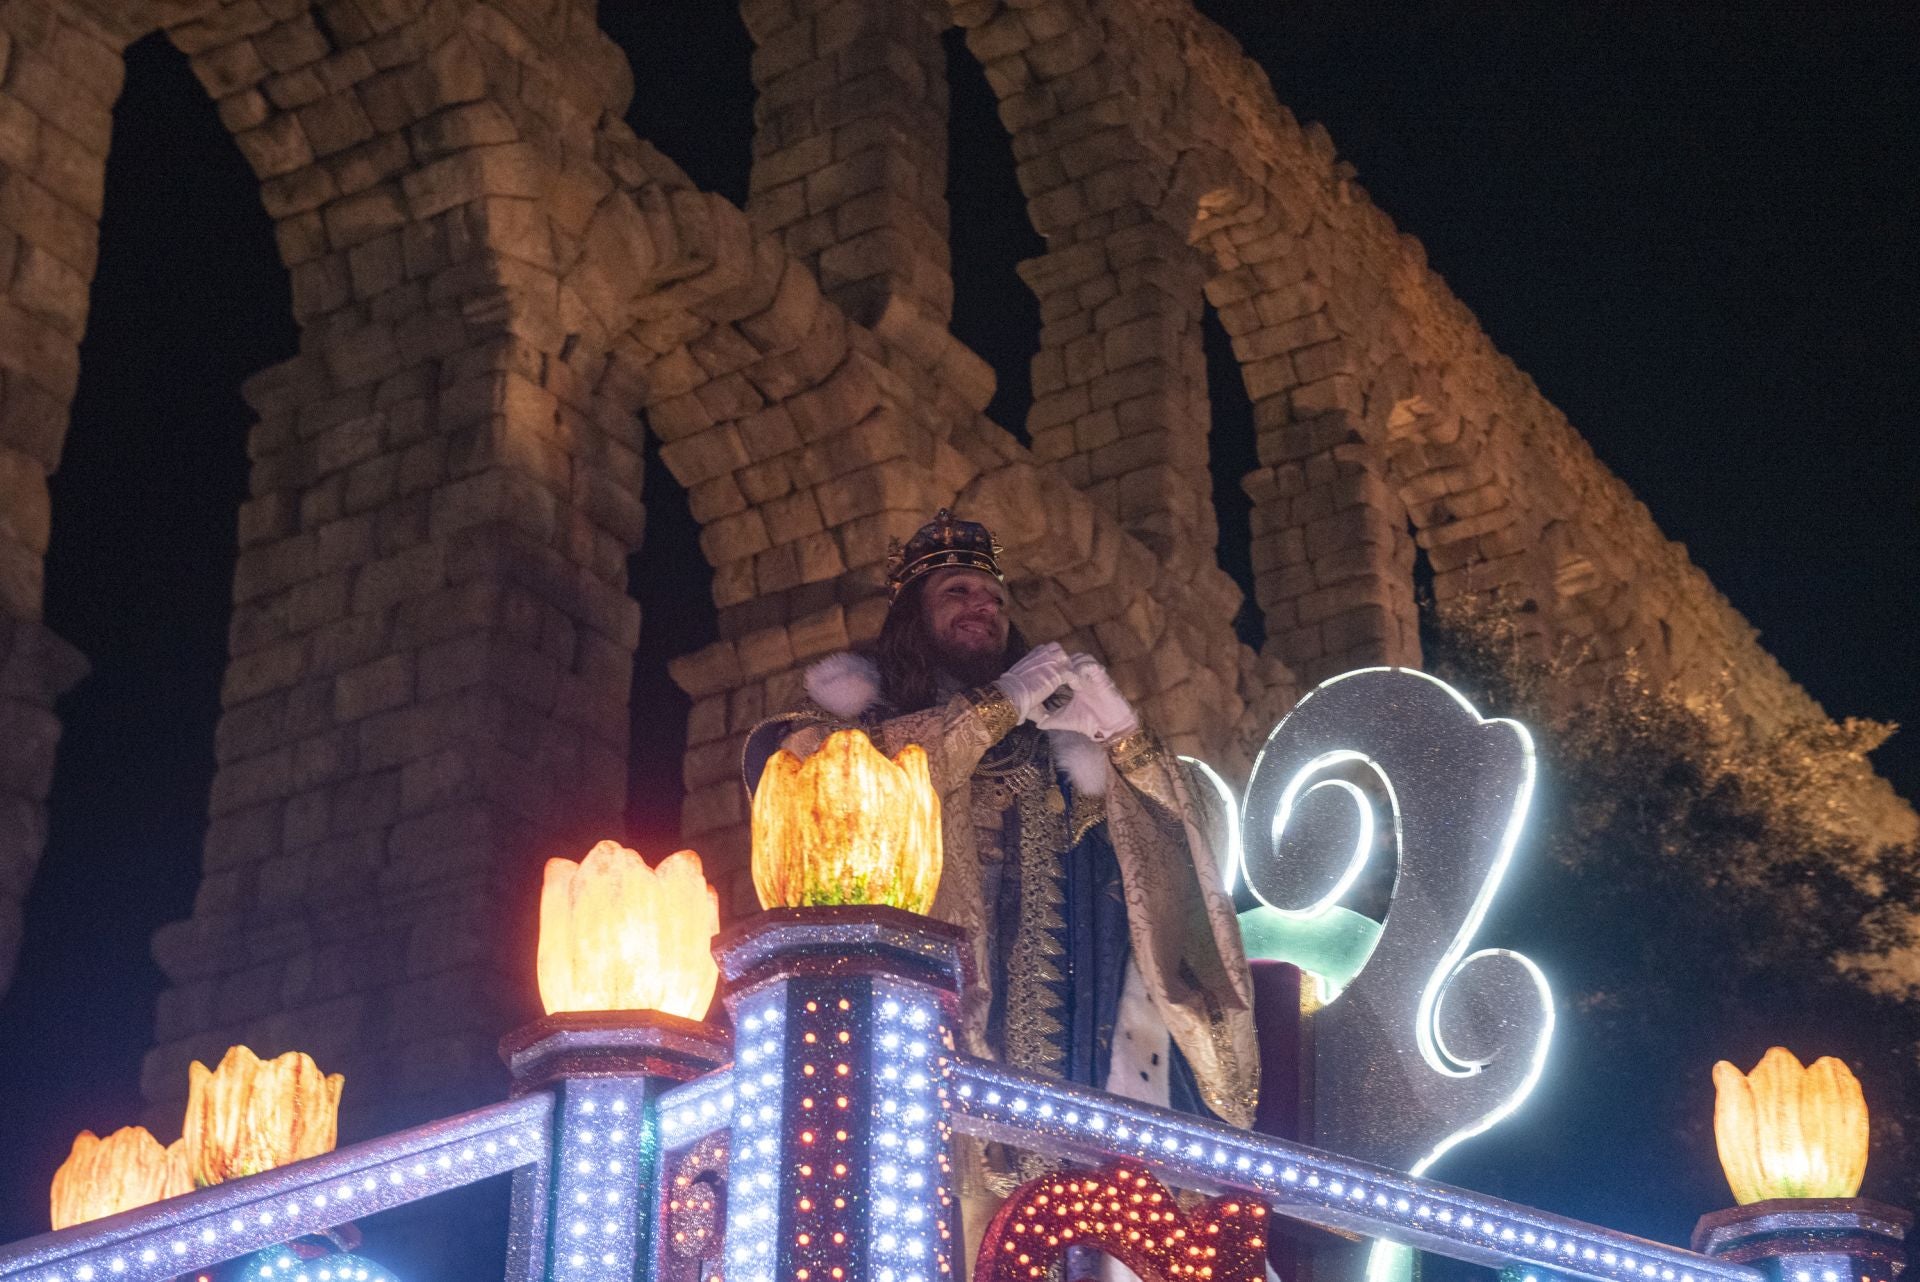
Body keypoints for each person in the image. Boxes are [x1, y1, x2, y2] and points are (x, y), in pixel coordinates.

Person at [745, 509, 1257, 1128]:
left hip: (1054, 1003)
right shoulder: (846, 713)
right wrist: (996, 705)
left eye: (995, 598)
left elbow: (1162, 855)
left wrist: (1124, 742)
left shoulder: (1050, 733)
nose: (982, 606)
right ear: (912, 612)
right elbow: (836, 786)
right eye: (957, 591)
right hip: (925, 986)